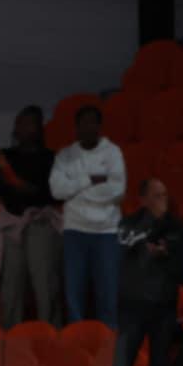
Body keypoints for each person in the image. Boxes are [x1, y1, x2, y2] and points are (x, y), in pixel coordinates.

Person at [49, 105, 127, 326]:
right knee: (74, 293)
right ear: (76, 126)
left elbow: (117, 190)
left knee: (108, 293)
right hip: (75, 231)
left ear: (99, 126)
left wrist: (77, 192)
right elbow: (57, 190)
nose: (88, 127)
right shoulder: (65, 155)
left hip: (107, 231)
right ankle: (76, 342)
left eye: (93, 122)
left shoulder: (112, 152)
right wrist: (90, 180)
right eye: (83, 122)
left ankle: (108, 342)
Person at [113, 177, 182, 366]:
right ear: (142, 199)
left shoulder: (175, 225)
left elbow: (180, 255)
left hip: (163, 306)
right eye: (157, 195)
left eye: (164, 195)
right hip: (132, 305)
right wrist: (151, 225)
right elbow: (124, 240)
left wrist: (165, 250)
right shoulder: (130, 223)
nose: (163, 200)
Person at [0, 106, 62, 327]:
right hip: (12, 222)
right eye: (21, 122)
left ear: (40, 128)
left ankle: (52, 338)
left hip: (40, 222)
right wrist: (0, 175)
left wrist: (13, 181)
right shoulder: (6, 156)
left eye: (31, 122)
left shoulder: (50, 158)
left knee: (45, 284)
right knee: (10, 289)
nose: (25, 127)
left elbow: (48, 192)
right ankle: (11, 343)